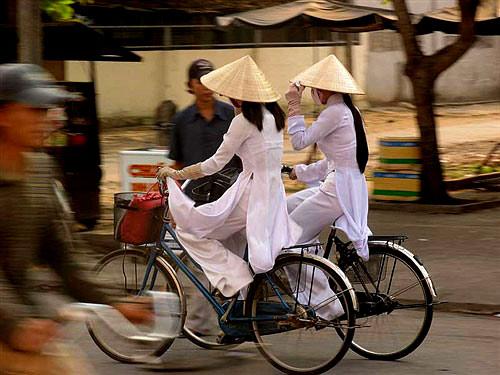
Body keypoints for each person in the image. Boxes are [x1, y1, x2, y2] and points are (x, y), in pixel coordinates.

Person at [0, 64, 151, 374]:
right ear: (3, 114)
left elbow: (65, 254)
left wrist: (114, 301)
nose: (43, 120)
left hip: (21, 319)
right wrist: (17, 323)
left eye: (45, 111)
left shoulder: (40, 171)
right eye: (32, 110)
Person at [158, 55, 302, 298]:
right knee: (231, 239)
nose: (225, 98)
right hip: (272, 194)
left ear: (239, 96)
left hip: (251, 196)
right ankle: (240, 303)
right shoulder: (272, 117)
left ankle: (238, 277)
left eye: (229, 95)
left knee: (193, 231)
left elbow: (214, 163)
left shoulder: (243, 122)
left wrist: (175, 173)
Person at [285, 54, 372, 261]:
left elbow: (298, 142)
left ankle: (318, 291)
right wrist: (300, 172)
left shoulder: (334, 112)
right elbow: (334, 162)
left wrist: (294, 105)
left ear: (323, 90)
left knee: (290, 236)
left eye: (314, 89)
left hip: (337, 190)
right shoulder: (351, 111)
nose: (313, 93)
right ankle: (318, 273)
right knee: (287, 206)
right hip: (344, 186)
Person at [168, 58, 241, 204]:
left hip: (229, 196)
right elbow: (178, 162)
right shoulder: (181, 120)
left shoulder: (232, 115)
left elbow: (244, 157)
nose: (206, 87)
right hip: (193, 198)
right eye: (200, 81)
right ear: (190, 85)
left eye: (210, 81)